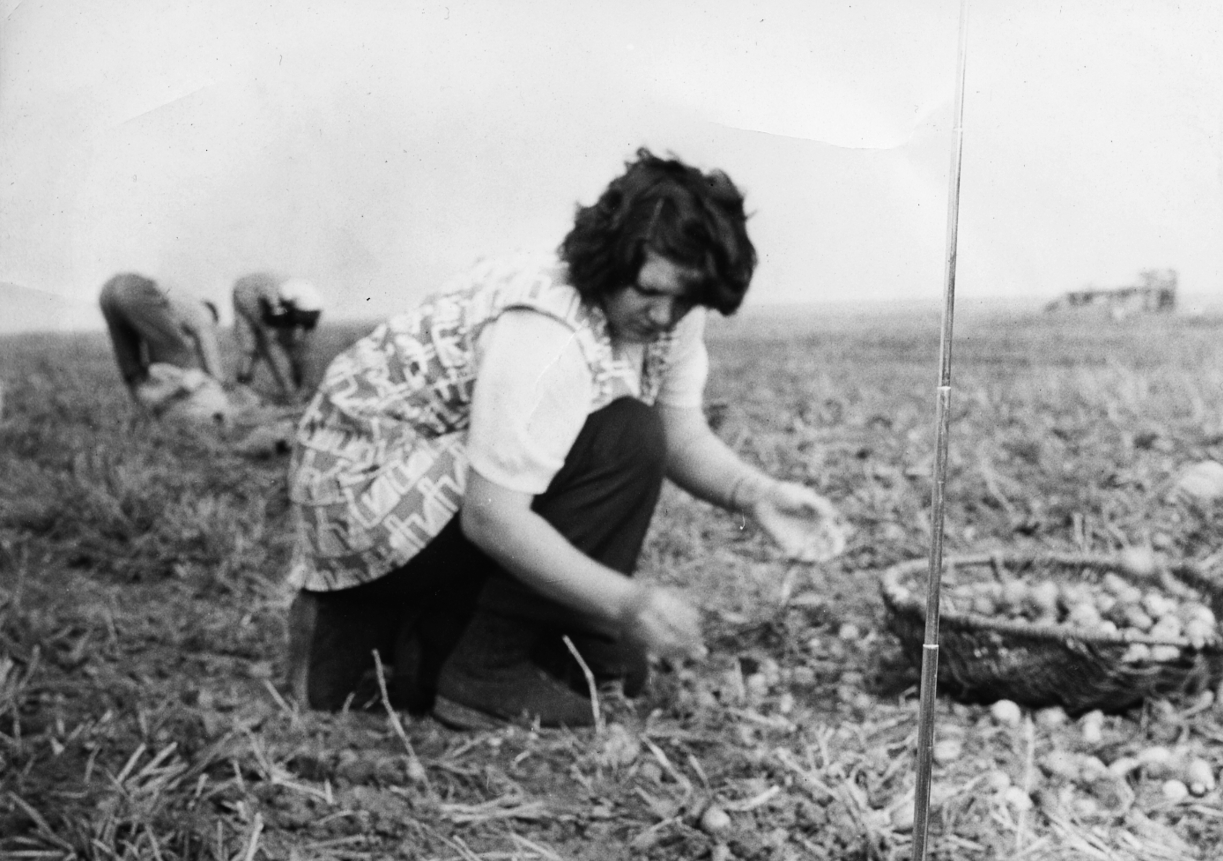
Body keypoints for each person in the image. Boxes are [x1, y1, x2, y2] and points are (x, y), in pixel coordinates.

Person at [286, 149, 847, 729]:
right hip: (366, 492)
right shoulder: (548, 334)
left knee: (613, 666)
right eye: (651, 292)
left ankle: (426, 637)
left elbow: (680, 433)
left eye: (685, 299)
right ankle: (481, 671)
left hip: (445, 490)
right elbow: (492, 516)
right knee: (623, 435)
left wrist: (755, 494)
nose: (664, 316)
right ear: (609, 257)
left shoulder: (666, 311)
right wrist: (629, 603)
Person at [99, 274, 227, 408]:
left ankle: (143, 409)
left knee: (132, 366)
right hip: (134, 289)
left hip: (107, 292)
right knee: (178, 355)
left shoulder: (178, 307)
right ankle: (178, 408)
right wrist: (219, 383)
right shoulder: (204, 314)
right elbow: (208, 350)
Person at [232, 274, 323, 402]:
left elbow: (303, 345)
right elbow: (271, 345)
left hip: (276, 300)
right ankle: (289, 391)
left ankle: (302, 388)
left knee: (297, 345)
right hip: (251, 295)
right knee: (260, 345)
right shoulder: (272, 298)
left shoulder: (303, 298)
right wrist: (290, 391)